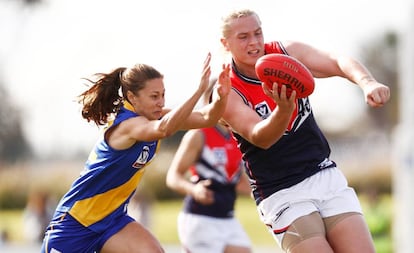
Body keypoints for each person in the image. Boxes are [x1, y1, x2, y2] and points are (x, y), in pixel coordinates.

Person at [217, 9, 390, 253]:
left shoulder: (285, 52)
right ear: (226, 43)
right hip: (281, 190)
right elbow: (260, 137)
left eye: (257, 33)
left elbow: (335, 60)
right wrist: (284, 109)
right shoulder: (227, 88)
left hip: (323, 174)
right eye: (243, 36)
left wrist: (367, 82)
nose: (254, 42)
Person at [40, 53, 231, 253]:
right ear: (132, 97)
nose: (161, 102)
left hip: (112, 221)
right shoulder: (127, 125)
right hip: (74, 226)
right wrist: (198, 90)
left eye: (163, 95)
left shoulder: (154, 116)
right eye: (154, 96)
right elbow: (164, 129)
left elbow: (206, 117)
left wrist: (220, 97)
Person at [166, 79, 252, 253]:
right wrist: (194, 190)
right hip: (200, 218)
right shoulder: (198, 135)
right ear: (210, 103)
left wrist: (261, 195)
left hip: (227, 218)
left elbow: (236, 178)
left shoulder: (238, 136)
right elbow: (173, 177)